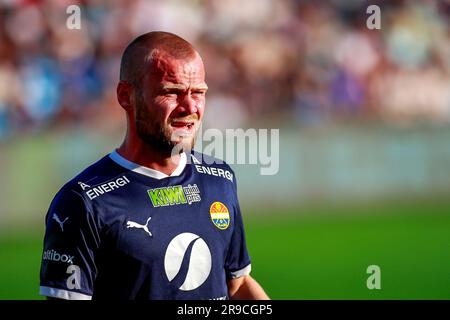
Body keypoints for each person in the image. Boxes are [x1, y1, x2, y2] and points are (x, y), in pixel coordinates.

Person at [39, 31, 269, 300]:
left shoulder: (219, 179)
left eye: (199, 92)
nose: (190, 106)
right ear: (126, 96)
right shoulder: (83, 202)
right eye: (171, 93)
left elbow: (238, 285)